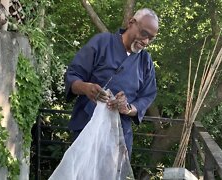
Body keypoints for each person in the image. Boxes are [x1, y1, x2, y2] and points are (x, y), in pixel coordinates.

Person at [64, 8, 159, 159]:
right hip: (87, 125)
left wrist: (127, 108)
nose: (146, 41)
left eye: (151, 38)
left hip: (119, 135)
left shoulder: (145, 61)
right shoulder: (102, 42)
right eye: (144, 33)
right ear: (131, 23)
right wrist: (86, 88)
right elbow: (72, 76)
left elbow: (147, 96)